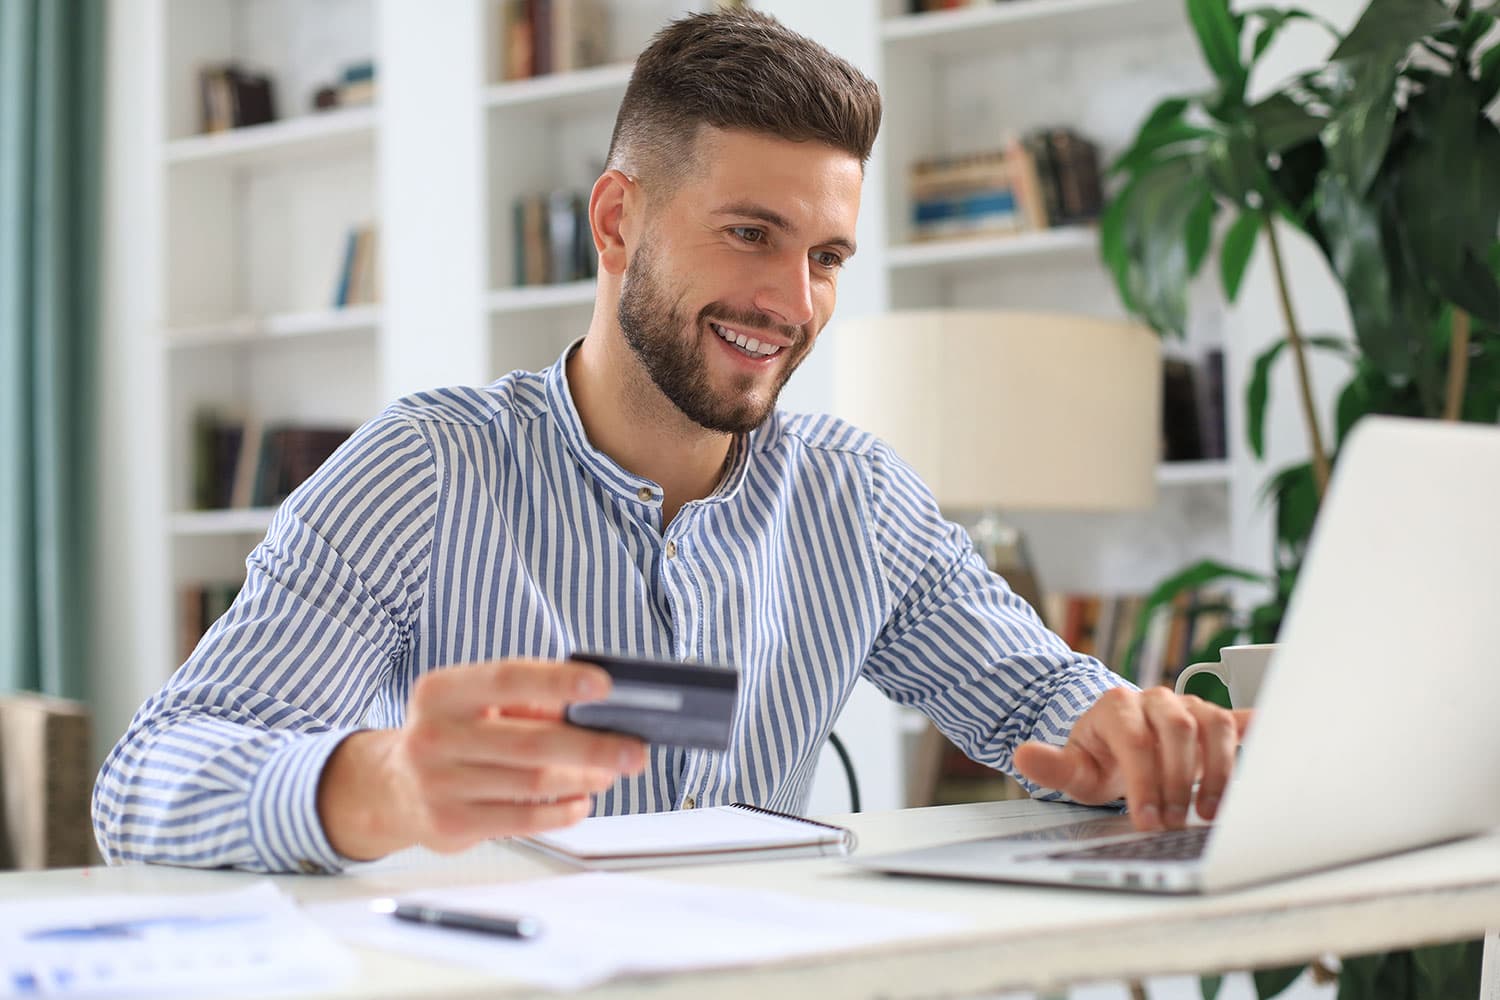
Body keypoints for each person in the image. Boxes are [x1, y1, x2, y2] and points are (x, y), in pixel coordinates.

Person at [93, 10, 1249, 874]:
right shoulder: (426, 470)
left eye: (826, 257)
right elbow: (143, 785)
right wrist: (379, 780)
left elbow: (1047, 699)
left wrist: (1126, 735)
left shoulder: (855, 496)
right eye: (750, 233)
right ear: (616, 221)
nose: (792, 301)